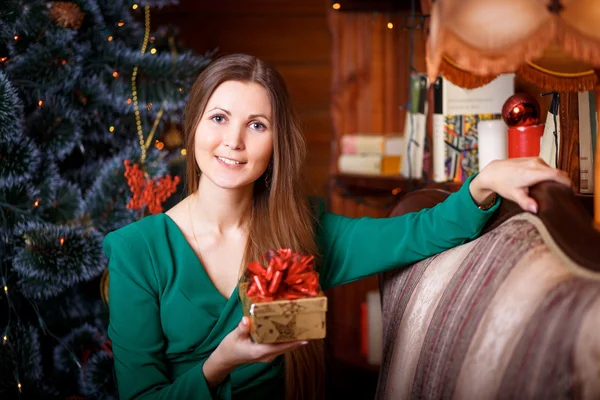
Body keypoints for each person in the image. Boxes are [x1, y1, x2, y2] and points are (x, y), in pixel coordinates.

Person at [103, 53, 572, 400]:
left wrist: (484, 182)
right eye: (219, 118)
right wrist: (219, 365)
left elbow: (416, 233)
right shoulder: (136, 251)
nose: (234, 141)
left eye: (257, 125)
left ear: (276, 144)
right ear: (194, 127)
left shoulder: (303, 229)